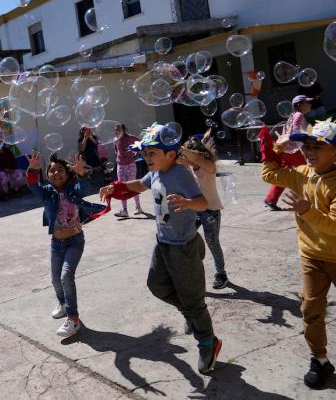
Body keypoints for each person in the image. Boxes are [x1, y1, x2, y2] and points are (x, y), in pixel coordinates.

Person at [100, 123, 222, 374]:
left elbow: (203, 202)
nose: (146, 158)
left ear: (170, 154)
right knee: (156, 285)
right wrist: (117, 186)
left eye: (151, 153)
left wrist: (188, 203)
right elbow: (140, 185)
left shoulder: (180, 173)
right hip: (163, 242)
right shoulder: (156, 172)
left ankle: (208, 343)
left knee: (195, 301)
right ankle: (187, 313)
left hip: (184, 247)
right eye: (144, 153)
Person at [259, 120, 336, 389]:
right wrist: (277, 146)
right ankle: (319, 359)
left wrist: (307, 210)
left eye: (318, 146)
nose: (310, 151)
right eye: (307, 145)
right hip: (310, 255)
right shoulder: (301, 172)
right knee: (310, 310)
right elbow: (269, 175)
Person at [26, 151, 105, 338]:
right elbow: (32, 185)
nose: (56, 173)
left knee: (66, 277)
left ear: (67, 173)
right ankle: (62, 303)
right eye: (51, 171)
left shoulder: (73, 189)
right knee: (55, 279)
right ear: (47, 175)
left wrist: (82, 173)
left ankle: (73, 318)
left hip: (75, 241)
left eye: (60, 170)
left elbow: (85, 188)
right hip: (56, 242)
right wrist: (32, 169)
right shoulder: (46, 192)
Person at [178, 131, 229, 290]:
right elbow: (179, 160)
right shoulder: (189, 164)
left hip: (210, 212)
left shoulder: (208, 165)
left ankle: (221, 274)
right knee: (184, 239)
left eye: (189, 156)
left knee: (212, 243)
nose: (188, 161)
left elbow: (197, 159)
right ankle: (186, 272)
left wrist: (181, 148)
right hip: (195, 210)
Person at [265, 95, 311, 211]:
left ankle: (271, 199)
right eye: (307, 102)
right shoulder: (299, 115)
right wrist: (302, 143)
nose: (310, 104)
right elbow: (295, 130)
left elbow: (311, 131)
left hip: (286, 150)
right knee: (307, 172)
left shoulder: (294, 115)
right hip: (293, 151)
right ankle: (309, 199)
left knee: (283, 176)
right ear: (300, 105)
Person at [112, 124, 143, 217]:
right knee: (121, 187)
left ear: (124, 130)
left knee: (133, 186)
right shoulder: (115, 140)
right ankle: (124, 210)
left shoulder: (131, 138)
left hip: (130, 165)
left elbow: (140, 143)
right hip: (120, 166)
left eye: (119, 129)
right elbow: (116, 151)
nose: (117, 131)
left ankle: (138, 207)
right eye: (115, 130)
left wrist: (136, 154)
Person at [78, 127, 103, 194]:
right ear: (81, 131)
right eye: (83, 129)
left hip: (95, 159)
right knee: (89, 177)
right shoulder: (80, 139)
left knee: (97, 176)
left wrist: (91, 136)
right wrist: (85, 138)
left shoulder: (94, 137)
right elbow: (81, 149)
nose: (85, 131)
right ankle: (91, 190)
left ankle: (99, 189)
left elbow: (97, 144)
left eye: (87, 129)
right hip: (86, 161)